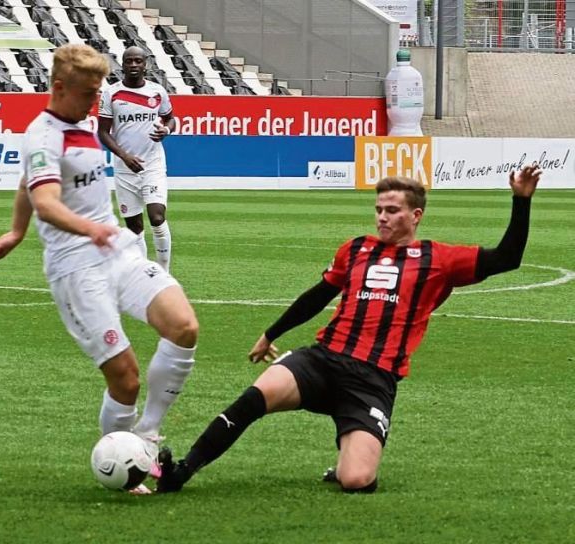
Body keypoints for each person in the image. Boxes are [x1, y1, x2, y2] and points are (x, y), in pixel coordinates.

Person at [156, 166, 542, 494]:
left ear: (416, 215)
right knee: (257, 395)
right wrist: (271, 333)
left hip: (372, 380)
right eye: (378, 210)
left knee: (356, 480)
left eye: (392, 210)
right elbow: (318, 294)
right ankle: (182, 471)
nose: (382, 217)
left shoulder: (439, 258)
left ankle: (346, 462)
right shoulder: (356, 249)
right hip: (322, 360)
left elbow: (507, 258)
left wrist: (521, 200)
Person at [0, 44, 197, 494]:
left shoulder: (83, 121)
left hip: (117, 252)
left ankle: (147, 435)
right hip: (77, 269)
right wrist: (86, 230)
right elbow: (45, 200)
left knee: (184, 326)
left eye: (99, 92)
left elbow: (24, 184)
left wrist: (15, 232)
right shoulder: (42, 135)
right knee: (126, 377)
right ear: (59, 88)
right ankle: (117, 458)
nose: (95, 102)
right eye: (88, 94)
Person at [98, 46, 174, 271]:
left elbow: (170, 119)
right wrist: (124, 155)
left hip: (153, 163)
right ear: (122, 64)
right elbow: (103, 132)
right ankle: (144, 274)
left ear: (145, 64)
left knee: (157, 217)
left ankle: (163, 272)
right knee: (134, 226)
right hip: (124, 167)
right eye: (129, 61)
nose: (133, 65)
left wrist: (166, 131)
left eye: (138, 61)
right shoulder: (111, 93)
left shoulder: (157, 91)